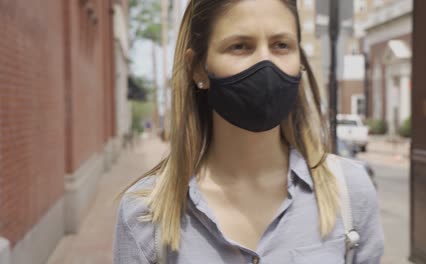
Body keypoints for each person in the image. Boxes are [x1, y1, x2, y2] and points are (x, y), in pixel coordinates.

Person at [113, 0, 384, 263]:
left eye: (281, 45)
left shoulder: (350, 193)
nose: (265, 64)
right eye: (240, 46)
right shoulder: (145, 215)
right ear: (198, 68)